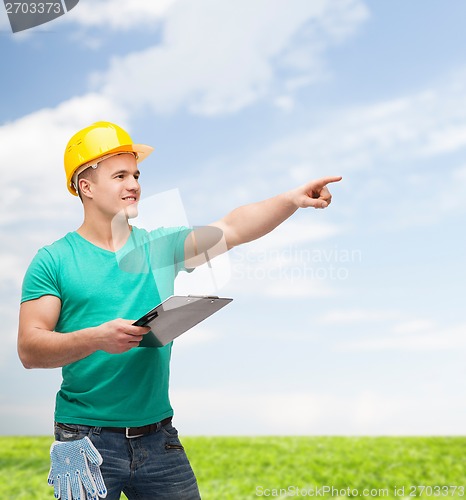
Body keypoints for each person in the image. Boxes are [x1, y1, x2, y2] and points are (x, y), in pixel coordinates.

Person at [18, 121, 342, 500]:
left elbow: (232, 228)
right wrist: (97, 337)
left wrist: (290, 200)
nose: (134, 184)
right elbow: (30, 348)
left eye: (136, 174)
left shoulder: (158, 246)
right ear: (85, 187)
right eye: (120, 175)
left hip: (158, 439)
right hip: (85, 442)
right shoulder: (54, 260)